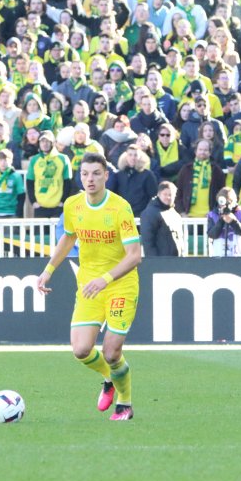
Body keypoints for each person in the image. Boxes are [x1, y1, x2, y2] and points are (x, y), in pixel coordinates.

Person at [36, 152, 142, 421]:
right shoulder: (72, 205)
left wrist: (105, 279)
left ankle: (125, 404)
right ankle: (109, 379)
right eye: (85, 174)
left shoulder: (120, 208)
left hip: (119, 285)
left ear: (106, 175)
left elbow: (134, 255)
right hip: (88, 286)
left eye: (96, 173)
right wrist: (47, 271)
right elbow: (68, 239)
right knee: (81, 350)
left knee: (111, 351)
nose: (90, 179)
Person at [140, 181, 185, 257]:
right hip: (160, 263)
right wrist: (155, 262)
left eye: (171, 195)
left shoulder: (175, 214)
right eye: (165, 194)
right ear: (158, 194)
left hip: (176, 262)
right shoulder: (150, 213)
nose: (168, 197)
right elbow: (148, 241)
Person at [207, 187, 241, 257]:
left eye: (229, 202)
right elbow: (212, 234)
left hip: (239, 255)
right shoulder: (212, 215)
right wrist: (221, 220)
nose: (225, 206)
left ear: (235, 200)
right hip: (219, 255)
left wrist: (233, 221)